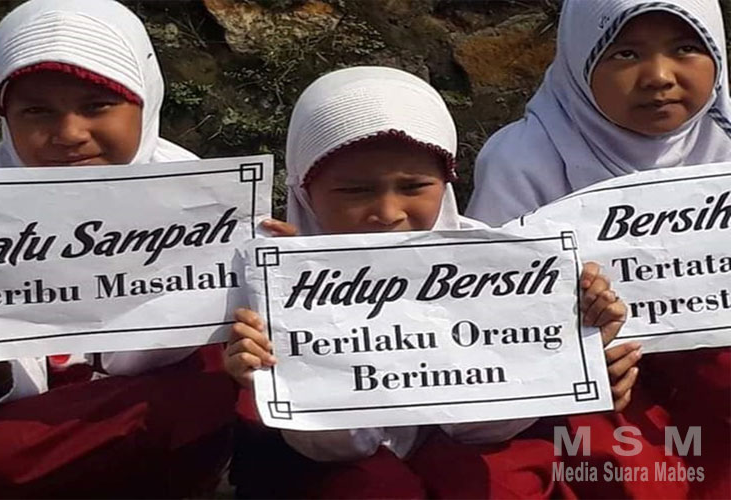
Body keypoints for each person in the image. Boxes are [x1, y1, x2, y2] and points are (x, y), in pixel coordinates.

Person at [225, 66, 635, 499]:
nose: (388, 213)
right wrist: (276, 373)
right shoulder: (272, 283)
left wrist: (573, 350)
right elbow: (339, 447)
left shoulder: (504, 270)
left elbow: (484, 429)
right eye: (354, 191)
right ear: (305, 192)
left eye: (414, 186)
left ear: (446, 182)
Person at [0, 1, 235, 497]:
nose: (69, 135)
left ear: (146, 101)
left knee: (213, 385)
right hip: (14, 435)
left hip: (148, 434)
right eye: (36, 111)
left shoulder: (205, 207)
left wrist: (287, 273)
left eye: (96, 106)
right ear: (5, 116)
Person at [467, 0, 730, 497]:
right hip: (586, 384)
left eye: (685, 48)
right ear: (578, 57)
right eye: (626, 53)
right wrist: (578, 352)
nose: (659, 77)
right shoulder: (524, 159)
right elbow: (494, 311)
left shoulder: (724, 145)